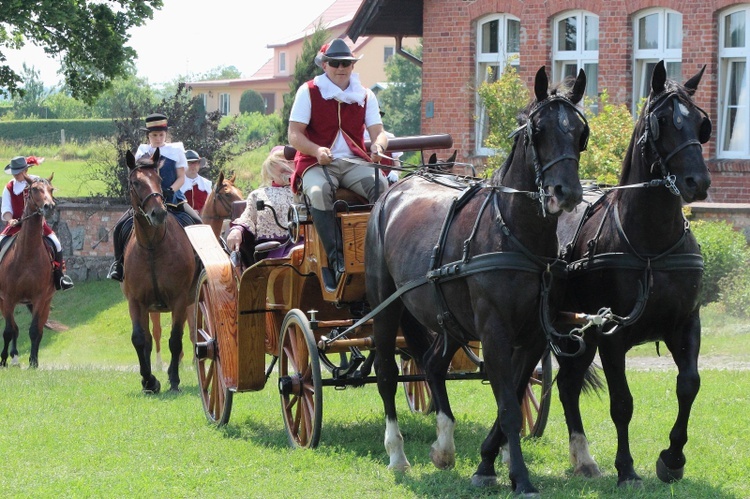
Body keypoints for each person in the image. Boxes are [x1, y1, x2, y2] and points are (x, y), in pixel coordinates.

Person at [288, 38, 389, 289]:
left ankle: (380, 254)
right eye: (335, 63)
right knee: (318, 191)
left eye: (346, 63)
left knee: (382, 187)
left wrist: (378, 146)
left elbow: (379, 132)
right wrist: (316, 149)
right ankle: (336, 260)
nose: (340, 67)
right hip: (316, 162)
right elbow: (294, 135)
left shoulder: (365, 94)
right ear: (325, 65)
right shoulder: (308, 91)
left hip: (354, 161)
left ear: (352, 66)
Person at [107, 113, 202, 281]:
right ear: (148, 136)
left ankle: (201, 263)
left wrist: (171, 190)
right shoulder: (142, 152)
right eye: (154, 135)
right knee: (119, 228)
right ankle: (119, 265)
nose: (158, 138)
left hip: (173, 198)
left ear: (166, 135)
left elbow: (182, 177)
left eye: (161, 135)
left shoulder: (176, 150)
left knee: (197, 221)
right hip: (148, 201)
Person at [1, 156, 74, 290]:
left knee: (56, 243)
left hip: (37, 225)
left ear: (25, 170)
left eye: (19, 172)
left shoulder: (38, 182)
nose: (16, 175)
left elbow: (47, 197)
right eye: (14, 172)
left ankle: (59, 276)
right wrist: (10, 219)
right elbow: (6, 209)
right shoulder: (9, 187)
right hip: (15, 226)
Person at [226, 146, 295, 265]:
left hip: (307, 244)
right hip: (274, 249)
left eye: (291, 161)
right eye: (281, 161)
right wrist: (237, 230)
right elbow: (247, 218)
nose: (287, 165)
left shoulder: (305, 190)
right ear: (270, 167)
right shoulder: (258, 194)